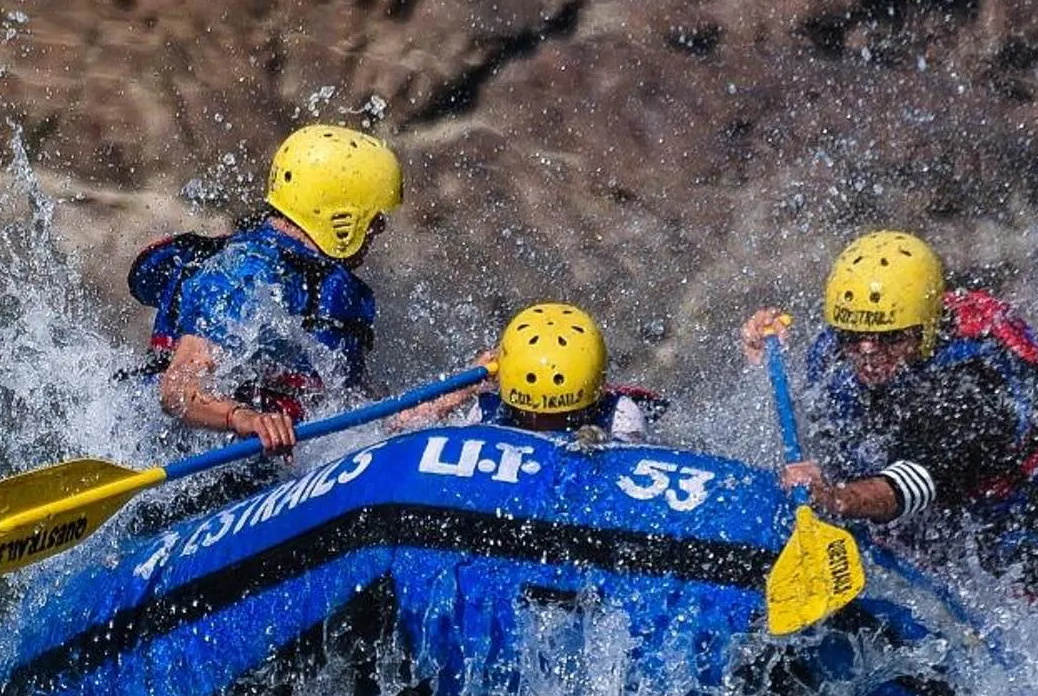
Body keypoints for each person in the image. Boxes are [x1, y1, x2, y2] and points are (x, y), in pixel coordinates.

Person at [743, 230, 1038, 600]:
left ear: (926, 328)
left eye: (891, 338)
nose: (868, 354)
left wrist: (836, 498)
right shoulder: (843, 345)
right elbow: (826, 425)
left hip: (1028, 508)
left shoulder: (974, 387)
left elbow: (913, 481)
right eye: (852, 336)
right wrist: (770, 360)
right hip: (935, 503)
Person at [150, 123, 402, 459]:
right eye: (375, 216)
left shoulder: (335, 290)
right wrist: (244, 419)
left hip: (275, 469)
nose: (381, 227)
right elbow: (178, 390)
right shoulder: (244, 275)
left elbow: (369, 415)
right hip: (185, 461)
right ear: (339, 214)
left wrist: (463, 390)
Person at [388, 303, 660, 442]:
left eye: (565, 417)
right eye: (528, 415)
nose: (544, 427)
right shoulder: (487, 410)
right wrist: (465, 388)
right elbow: (397, 427)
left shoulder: (621, 415)